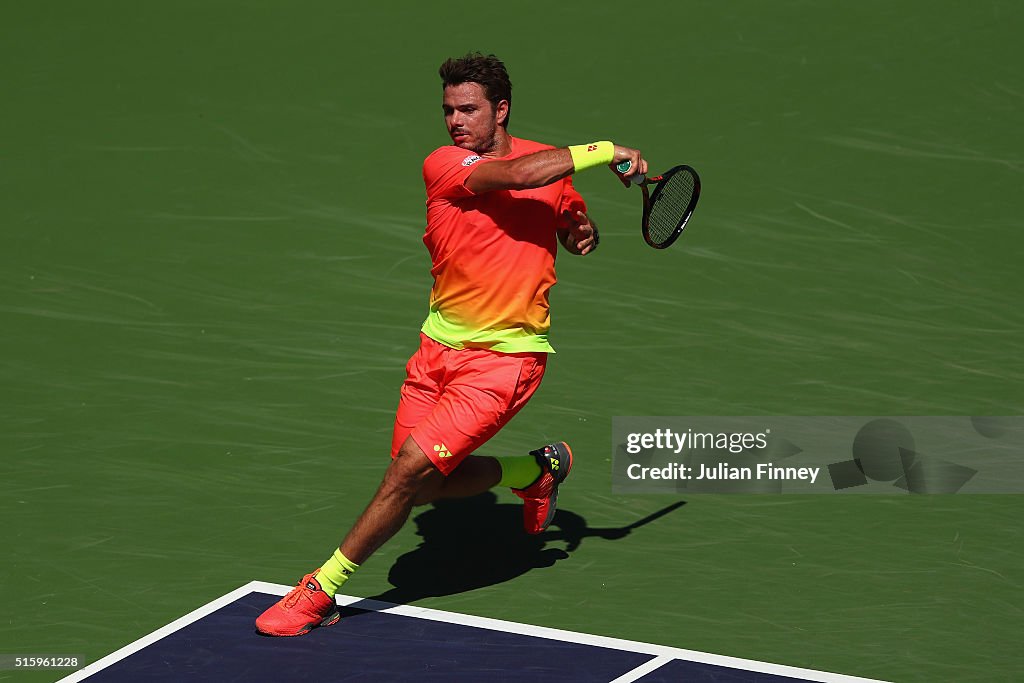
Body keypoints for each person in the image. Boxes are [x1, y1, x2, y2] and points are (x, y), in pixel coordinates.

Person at [255, 52, 646, 637]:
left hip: (505, 359)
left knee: (404, 477)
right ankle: (534, 470)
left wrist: (579, 230)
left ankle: (318, 590)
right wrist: (607, 149)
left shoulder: (551, 169)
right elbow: (516, 178)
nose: (455, 121)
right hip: (436, 353)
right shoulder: (445, 164)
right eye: (448, 110)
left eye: (469, 109)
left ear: (501, 109)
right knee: (420, 486)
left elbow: (569, 220)